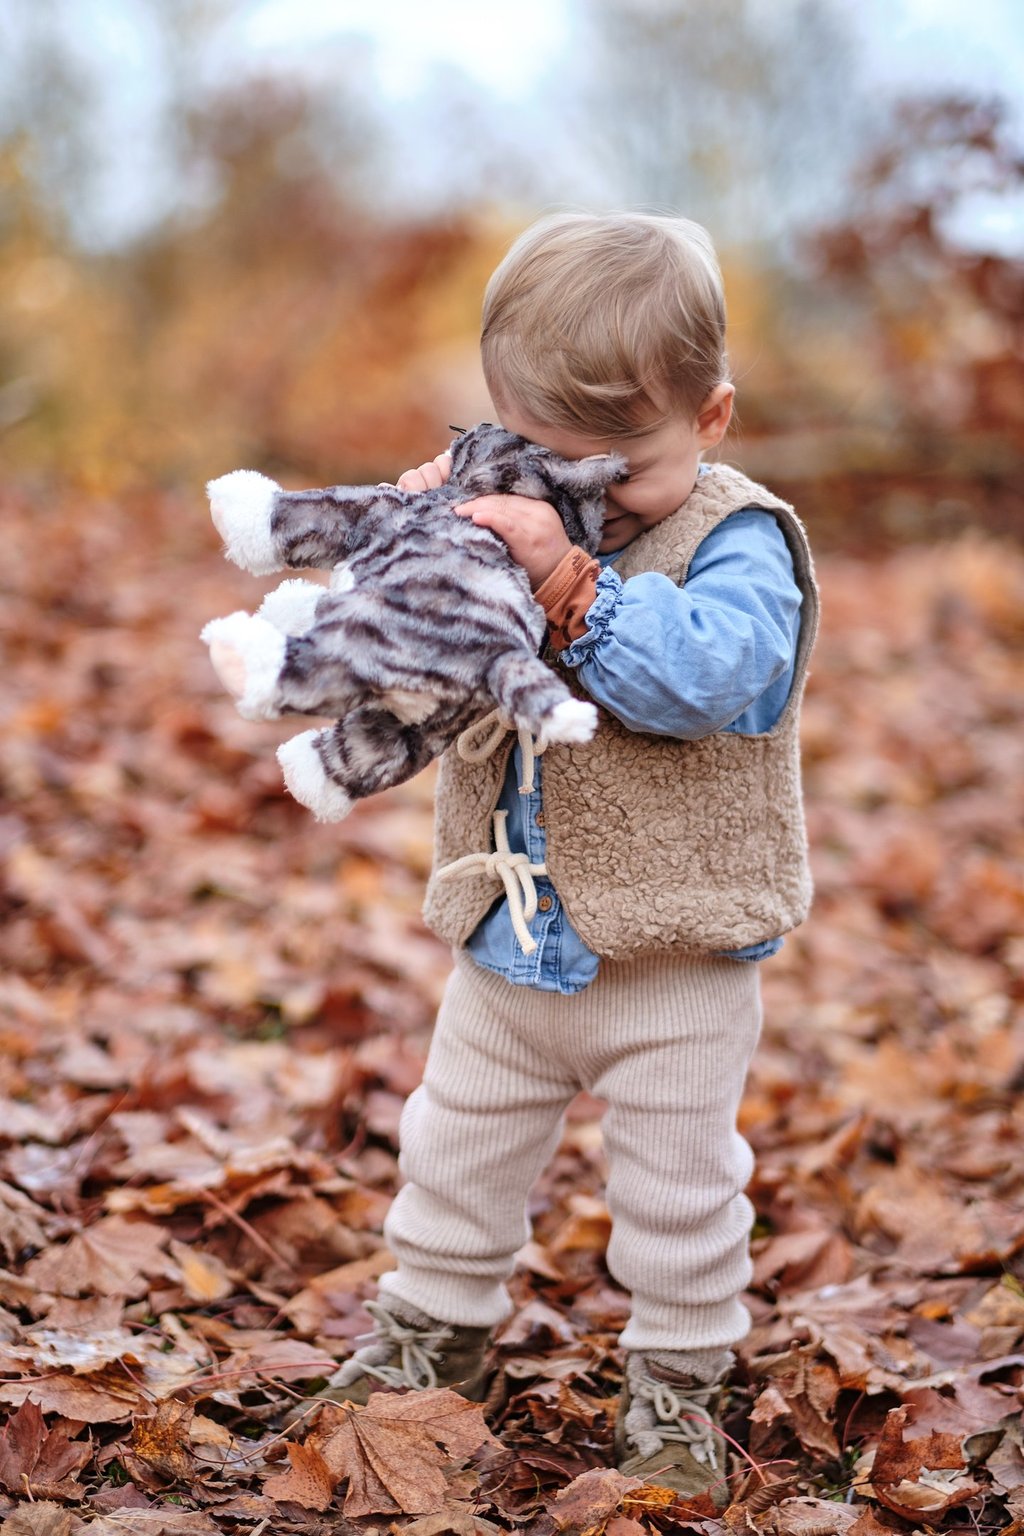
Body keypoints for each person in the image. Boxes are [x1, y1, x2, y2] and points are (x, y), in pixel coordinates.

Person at [316, 212, 819, 1498]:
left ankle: (680, 1377)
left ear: (710, 418)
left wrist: (576, 588)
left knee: (678, 1190)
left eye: (622, 466)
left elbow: (708, 678)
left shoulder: (738, 539)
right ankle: (433, 1329)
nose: (582, 492)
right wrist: (417, 544)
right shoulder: (506, 506)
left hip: (675, 952)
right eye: (545, 455)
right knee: (453, 1150)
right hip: (510, 932)